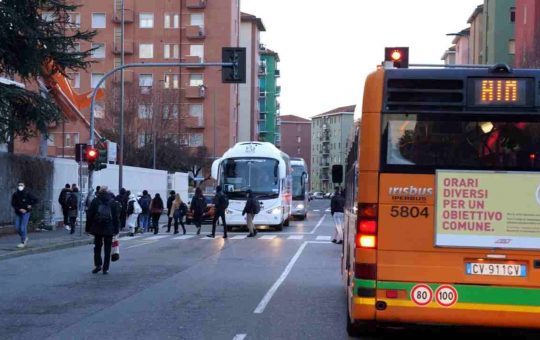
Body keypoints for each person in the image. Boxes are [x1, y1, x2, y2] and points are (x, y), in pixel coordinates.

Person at [87, 186, 120, 275]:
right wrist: (116, 229)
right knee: (107, 248)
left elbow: (90, 215)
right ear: (108, 192)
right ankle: (106, 268)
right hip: (109, 228)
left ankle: (98, 264)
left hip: (97, 227)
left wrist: (88, 228)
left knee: (97, 247)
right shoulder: (112, 202)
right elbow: (115, 217)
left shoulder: (95, 201)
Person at [11, 181, 38, 248]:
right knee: (17, 227)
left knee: (22, 227)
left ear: (24, 186)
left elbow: (36, 200)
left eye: (21, 185)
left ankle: (23, 242)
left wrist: (30, 205)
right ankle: (25, 237)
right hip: (18, 212)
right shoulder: (15, 194)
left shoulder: (27, 193)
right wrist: (19, 209)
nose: (20, 186)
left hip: (26, 212)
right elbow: (13, 204)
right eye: (19, 185)